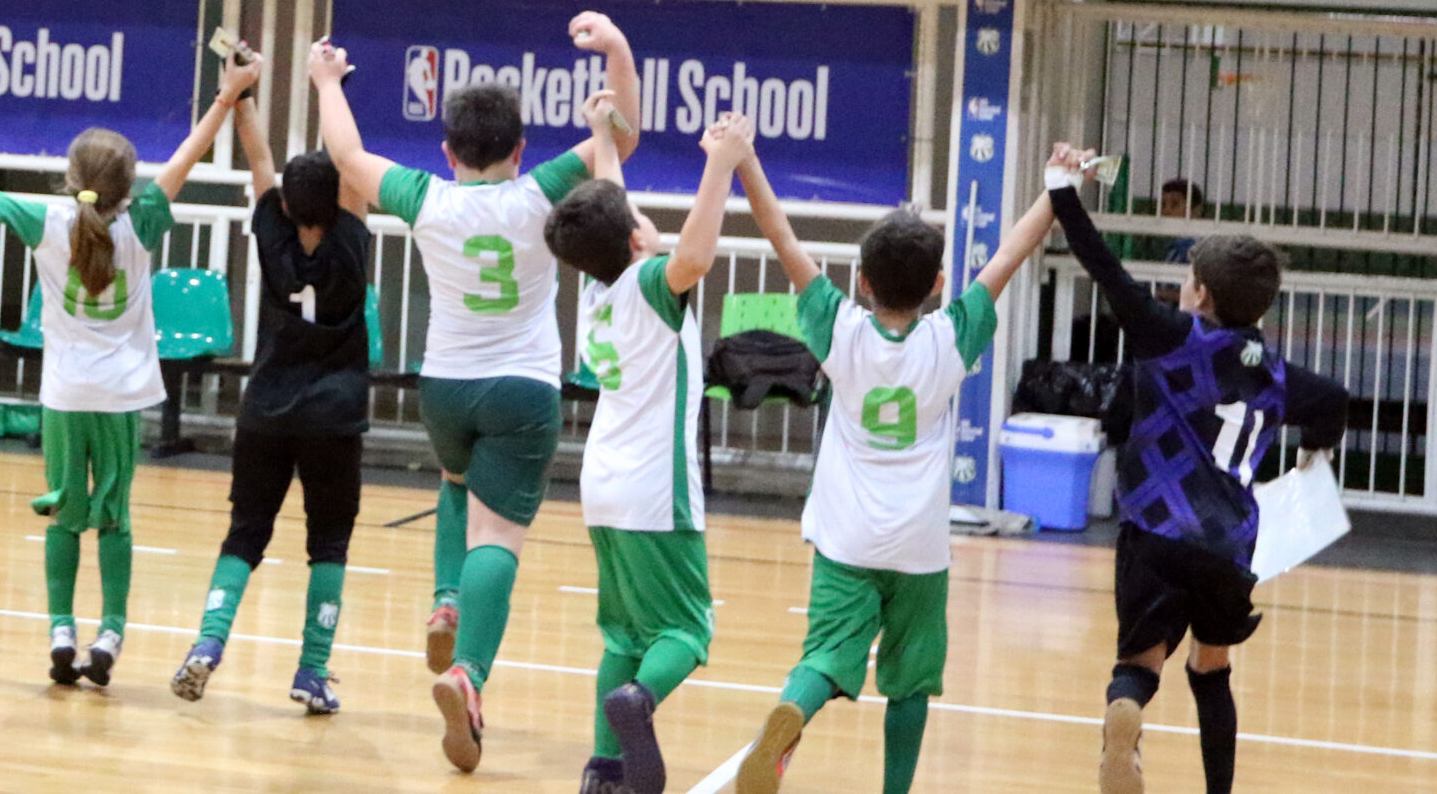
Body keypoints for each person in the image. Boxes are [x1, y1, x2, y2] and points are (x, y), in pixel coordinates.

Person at [307, 11, 640, 773]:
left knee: (459, 482)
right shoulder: (540, 193)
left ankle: (447, 597)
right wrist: (616, 51)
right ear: (520, 149)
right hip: (520, 387)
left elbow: (347, 154)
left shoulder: (428, 197)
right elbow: (622, 134)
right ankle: (470, 673)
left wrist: (328, 80)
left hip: (445, 387)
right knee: (502, 535)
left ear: (448, 150)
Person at [730, 155, 1061, 794]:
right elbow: (1008, 259)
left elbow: (781, 236)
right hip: (918, 547)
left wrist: (744, 159)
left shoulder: (840, 329)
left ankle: (794, 709)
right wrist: (1056, 191)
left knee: (825, 656)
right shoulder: (949, 338)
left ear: (861, 282)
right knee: (910, 680)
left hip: (845, 537)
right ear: (938, 283)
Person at [1041, 148, 1349, 794]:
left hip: (1156, 528)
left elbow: (1103, 266)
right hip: (1230, 545)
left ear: (1199, 293)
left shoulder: (1169, 335)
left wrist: (1062, 189)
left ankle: (1126, 709)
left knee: (1138, 664)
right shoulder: (1278, 374)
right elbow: (1335, 401)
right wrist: (1312, 450)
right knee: (1212, 670)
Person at [0, 76, 241, 691]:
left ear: (71, 177)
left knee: (65, 515)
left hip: (65, 396)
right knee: (114, 517)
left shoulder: (45, 219)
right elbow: (188, 155)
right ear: (129, 185)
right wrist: (227, 96)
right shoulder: (143, 221)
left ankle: (62, 630)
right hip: (123, 397)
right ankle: (111, 632)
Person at [550, 107, 748, 794]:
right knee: (687, 630)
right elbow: (693, 254)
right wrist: (720, 161)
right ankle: (639, 702)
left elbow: (613, 211)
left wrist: (605, 137)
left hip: (601, 485)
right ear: (638, 239)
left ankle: (604, 770)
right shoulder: (651, 283)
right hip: (653, 489)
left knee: (623, 636)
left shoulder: (602, 291)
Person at [169, 48, 372, 716]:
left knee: (245, 533)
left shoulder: (269, 234)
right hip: (334, 415)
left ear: (286, 202)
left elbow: (257, 154)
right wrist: (329, 83)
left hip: (266, 409)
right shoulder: (351, 240)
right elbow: (349, 158)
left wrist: (244, 90)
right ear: (341, 197)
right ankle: (312, 672)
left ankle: (207, 643)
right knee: (329, 544)